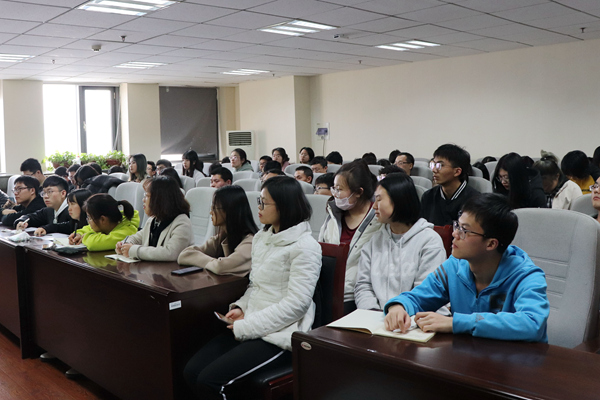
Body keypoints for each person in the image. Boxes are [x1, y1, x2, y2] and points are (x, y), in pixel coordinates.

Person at [183, 176, 321, 399]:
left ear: (284, 206)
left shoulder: (305, 247)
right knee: (191, 371)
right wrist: (241, 307)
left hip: (280, 334)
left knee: (209, 381)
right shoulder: (261, 238)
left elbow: (297, 305)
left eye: (264, 203)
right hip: (252, 322)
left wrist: (247, 326)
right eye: (259, 201)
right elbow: (255, 286)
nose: (259, 207)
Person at [384, 193, 549, 343]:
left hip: (514, 361)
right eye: (457, 225)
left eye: (464, 230)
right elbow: (417, 298)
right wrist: (398, 307)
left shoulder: (526, 276)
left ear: (491, 244)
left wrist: (456, 323)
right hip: (468, 357)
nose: (455, 234)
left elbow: (532, 324)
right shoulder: (454, 266)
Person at [355, 173, 446, 311]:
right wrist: (372, 312)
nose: (374, 206)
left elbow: (426, 293)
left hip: (416, 317)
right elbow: (363, 285)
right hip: (377, 317)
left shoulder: (429, 241)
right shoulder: (375, 240)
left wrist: (398, 312)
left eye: (379, 200)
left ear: (398, 200)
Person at [319, 160, 381, 313]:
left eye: (339, 189)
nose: (335, 194)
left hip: (357, 295)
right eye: (334, 188)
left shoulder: (378, 220)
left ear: (359, 192)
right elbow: (321, 249)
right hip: (327, 290)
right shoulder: (333, 215)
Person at [178, 185, 258, 276]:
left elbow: (220, 267)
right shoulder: (222, 237)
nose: (211, 212)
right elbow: (184, 255)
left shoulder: (250, 242)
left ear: (229, 210)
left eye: (214, 208)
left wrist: (214, 263)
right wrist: (214, 262)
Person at [115, 176, 193, 261]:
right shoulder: (154, 220)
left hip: (172, 269)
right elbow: (137, 238)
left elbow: (170, 253)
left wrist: (134, 250)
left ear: (160, 200)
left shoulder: (182, 222)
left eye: (147, 196)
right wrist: (125, 244)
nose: (143, 200)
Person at [421, 144, 480, 226]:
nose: (434, 170)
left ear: (457, 172)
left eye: (440, 165)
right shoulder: (428, 196)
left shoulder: (474, 200)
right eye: (433, 164)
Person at [69, 194, 140, 251]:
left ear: (103, 219)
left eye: (90, 218)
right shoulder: (108, 225)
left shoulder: (126, 232)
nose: (88, 221)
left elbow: (93, 244)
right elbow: (89, 228)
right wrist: (79, 233)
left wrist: (85, 237)